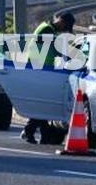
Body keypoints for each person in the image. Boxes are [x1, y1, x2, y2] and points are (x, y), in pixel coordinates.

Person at [20, 10, 76, 144]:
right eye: (65, 27)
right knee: (42, 103)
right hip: (39, 70)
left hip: (42, 69)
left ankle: (42, 135)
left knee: (42, 104)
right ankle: (30, 132)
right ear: (61, 21)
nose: (64, 30)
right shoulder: (47, 30)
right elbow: (57, 49)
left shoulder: (47, 28)